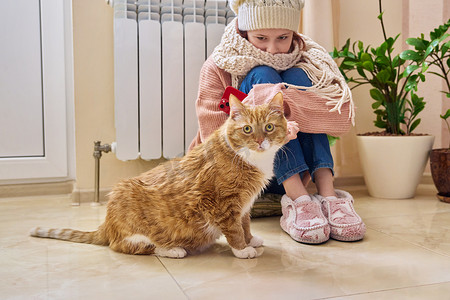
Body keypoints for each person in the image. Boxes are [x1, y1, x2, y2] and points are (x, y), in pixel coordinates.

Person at [189, 0, 365, 244]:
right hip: (242, 171)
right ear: (243, 30)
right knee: (262, 74)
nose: (272, 49)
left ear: (293, 33)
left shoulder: (310, 61)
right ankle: (298, 200)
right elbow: (213, 141)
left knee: (297, 76)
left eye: (283, 37)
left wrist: (290, 112)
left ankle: (329, 195)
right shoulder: (218, 66)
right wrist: (265, 123)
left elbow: (338, 120)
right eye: (261, 38)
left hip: (293, 168)